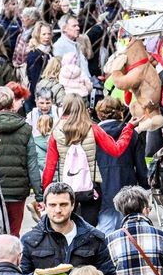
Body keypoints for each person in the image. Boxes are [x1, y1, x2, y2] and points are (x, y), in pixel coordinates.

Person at [41, 95, 137, 225]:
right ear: (83, 108)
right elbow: (116, 150)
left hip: (66, 187)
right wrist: (129, 128)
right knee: (89, 226)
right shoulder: (93, 128)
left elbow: (50, 166)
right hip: (91, 187)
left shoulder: (56, 132)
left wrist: (44, 193)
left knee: (66, 224)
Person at [0, 86, 40, 234]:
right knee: (14, 233)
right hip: (17, 190)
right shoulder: (25, 128)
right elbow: (32, 164)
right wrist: (39, 195)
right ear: (12, 103)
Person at [94, 98, 147, 234]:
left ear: (99, 114)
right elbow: (140, 166)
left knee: (105, 232)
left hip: (102, 189)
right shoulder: (132, 134)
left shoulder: (93, 135)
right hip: (127, 187)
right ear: (120, 112)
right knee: (129, 231)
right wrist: (145, 187)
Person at [24, 24, 55, 97]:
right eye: (44, 34)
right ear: (37, 35)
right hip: (39, 95)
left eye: (49, 34)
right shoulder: (34, 54)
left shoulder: (49, 51)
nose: (47, 37)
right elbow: (35, 80)